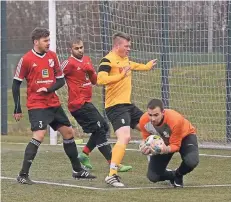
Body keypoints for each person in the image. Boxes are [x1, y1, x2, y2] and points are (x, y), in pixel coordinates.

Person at [12, 27, 96, 185]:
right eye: (45, 40)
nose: (48, 43)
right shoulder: (27, 59)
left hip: (53, 102)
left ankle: (77, 170)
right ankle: (23, 174)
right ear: (36, 42)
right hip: (37, 104)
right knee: (39, 135)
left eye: (49, 40)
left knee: (68, 132)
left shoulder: (52, 56)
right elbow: (16, 84)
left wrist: (49, 89)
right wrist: (17, 108)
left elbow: (61, 80)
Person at [61, 37, 132, 172]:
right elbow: (57, 75)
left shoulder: (87, 60)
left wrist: (91, 71)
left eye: (81, 47)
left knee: (103, 127)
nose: (80, 50)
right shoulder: (68, 63)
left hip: (87, 102)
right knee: (100, 129)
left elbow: (94, 81)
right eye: (76, 48)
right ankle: (113, 161)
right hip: (77, 104)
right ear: (70, 49)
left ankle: (84, 154)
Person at [97, 32, 157, 187]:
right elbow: (100, 79)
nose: (129, 48)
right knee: (124, 137)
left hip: (128, 105)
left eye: (130, 46)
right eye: (126, 46)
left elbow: (135, 66)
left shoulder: (126, 60)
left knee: (150, 130)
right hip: (115, 107)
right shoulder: (107, 60)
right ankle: (112, 174)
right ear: (117, 46)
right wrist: (120, 76)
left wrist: (148, 66)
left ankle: (156, 168)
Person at [139, 98, 199, 188]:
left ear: (163, 112)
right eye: (150, 115)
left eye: (156, 115)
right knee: (153, 176)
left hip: (185, 136)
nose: (153, 118)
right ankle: (172, 175)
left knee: (191, 161)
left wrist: (165, 149)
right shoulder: (143, 120)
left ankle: (179, 174)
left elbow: (176, 145)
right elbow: (146, 139)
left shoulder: (175, 120)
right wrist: (145, 148)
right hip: (164, 140)